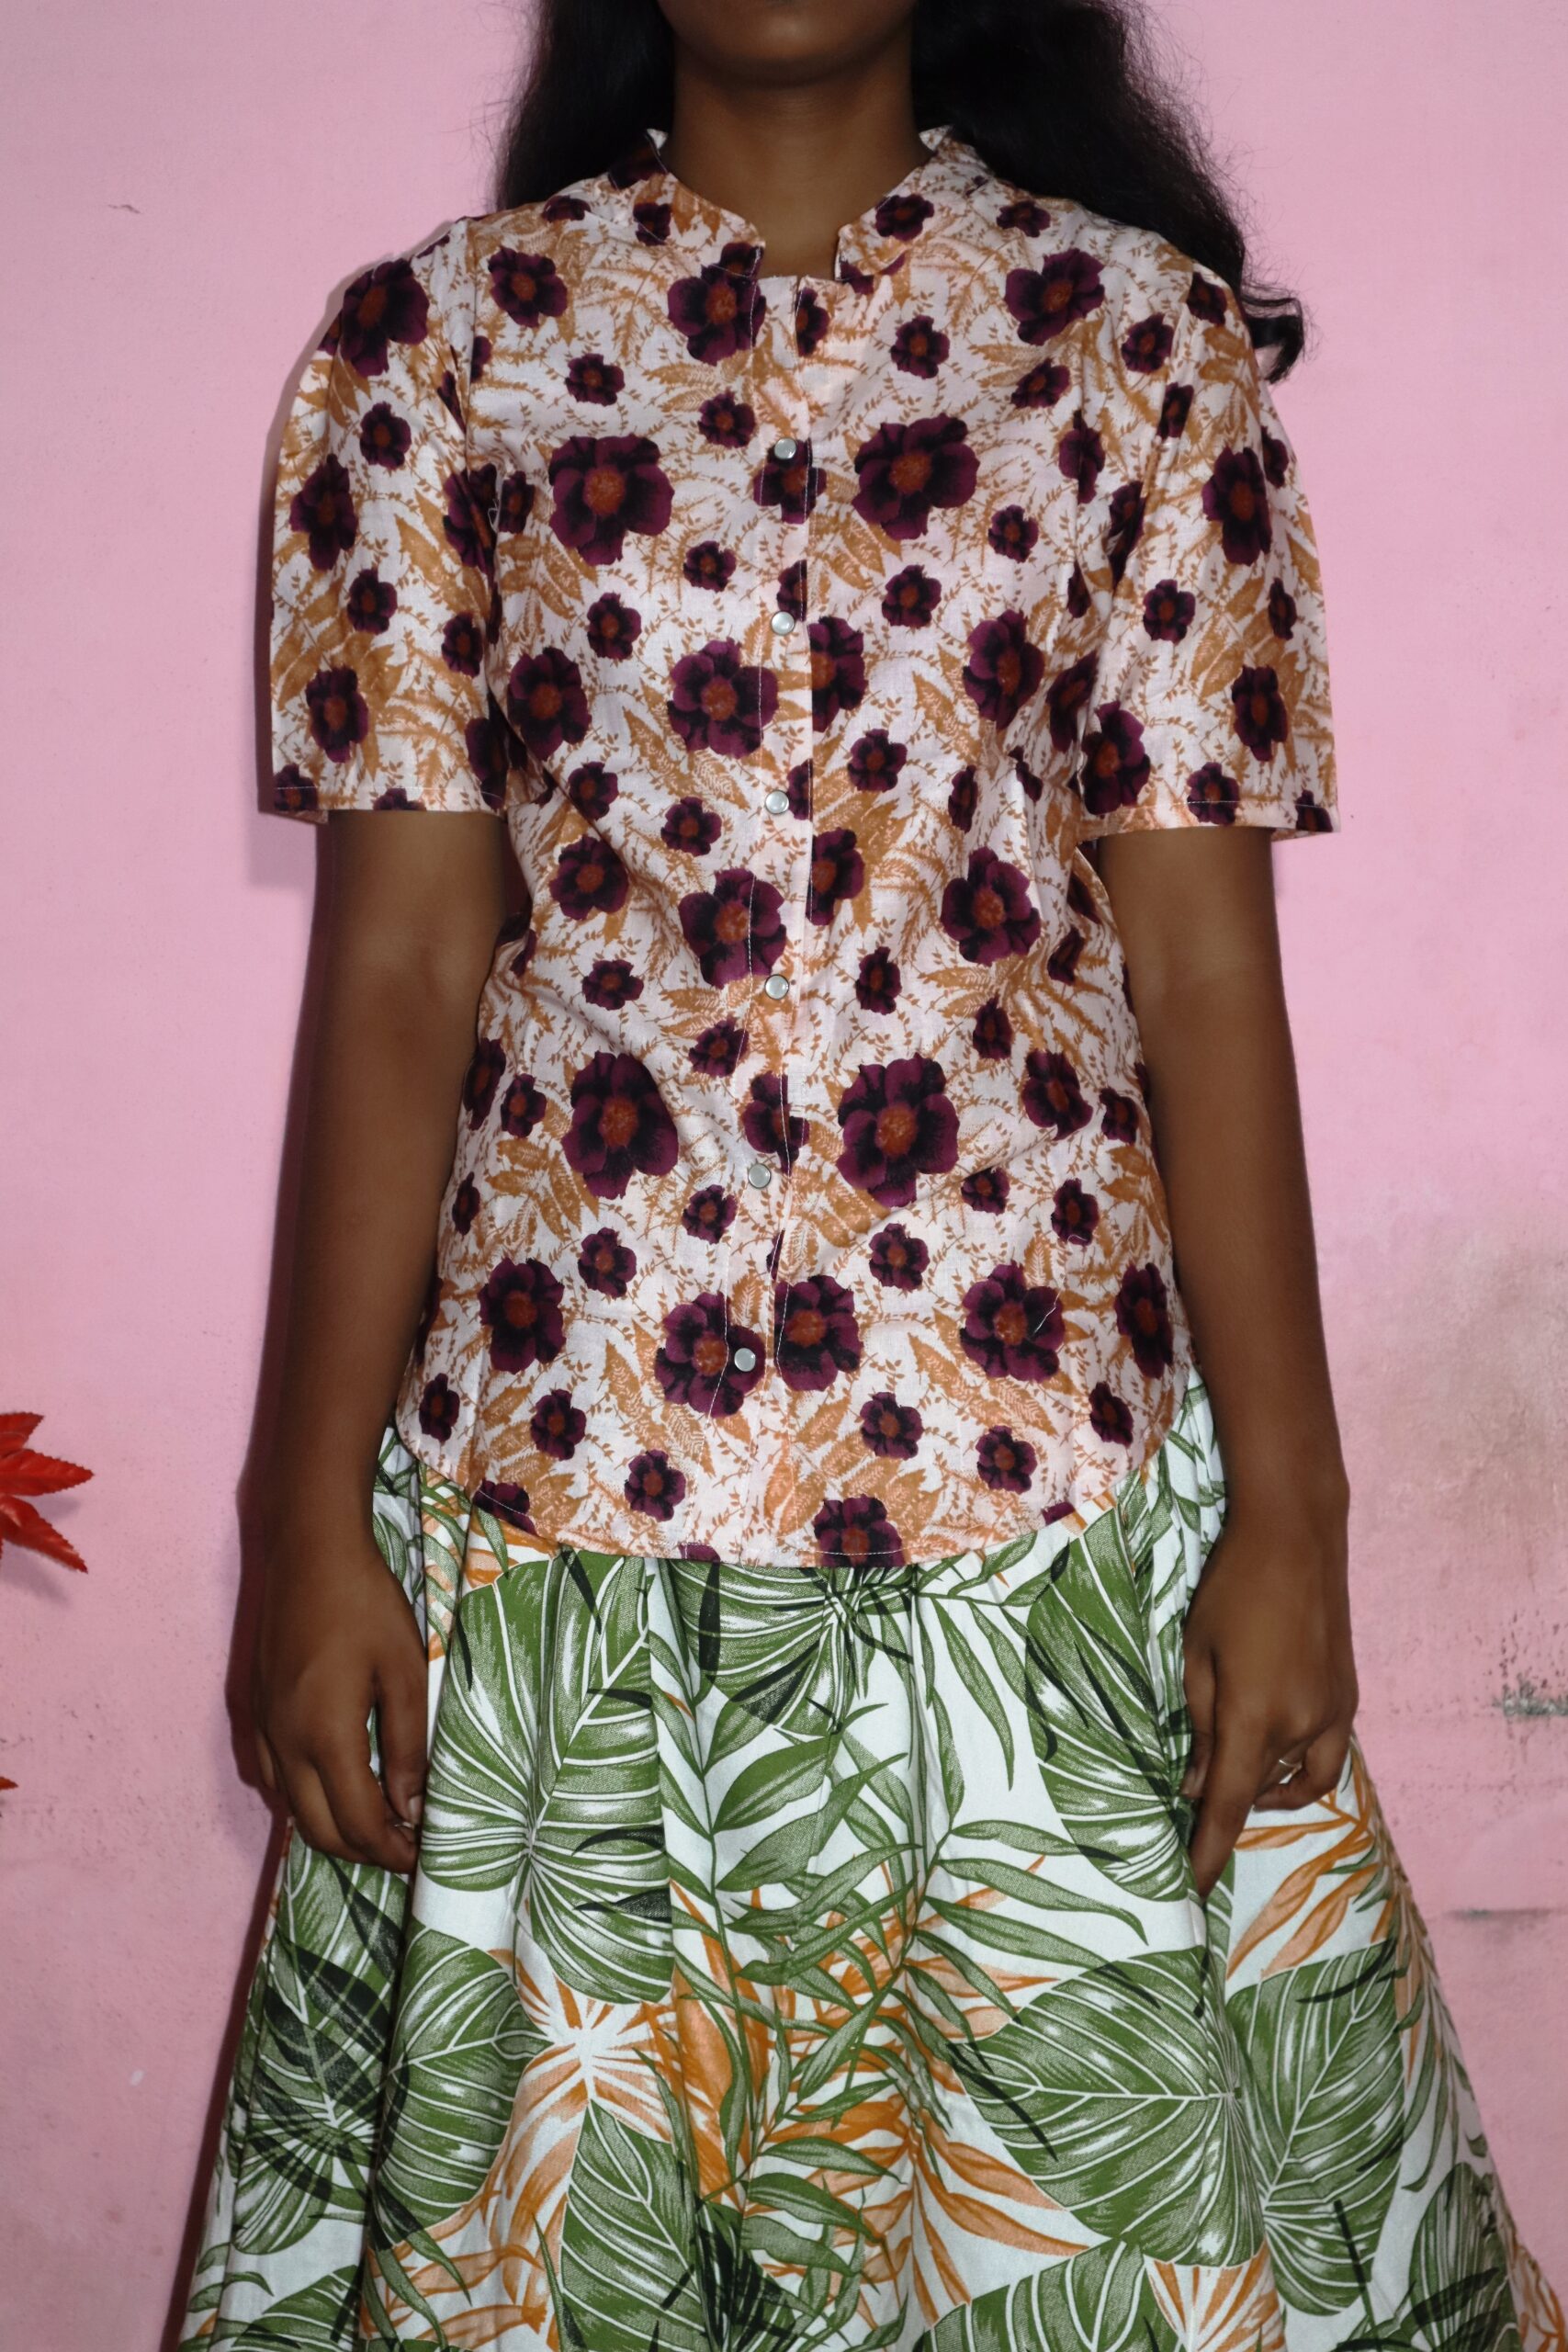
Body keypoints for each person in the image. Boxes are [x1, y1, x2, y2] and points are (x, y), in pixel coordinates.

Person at [181, 3, 1561, 2346]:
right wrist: (302, 1515)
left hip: (1048, 1533)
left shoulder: (1133, 345)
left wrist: (1295, 1514)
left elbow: (1199, 970)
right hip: (556, 1537)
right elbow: (399, 970)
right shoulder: (433, 354)